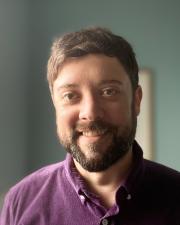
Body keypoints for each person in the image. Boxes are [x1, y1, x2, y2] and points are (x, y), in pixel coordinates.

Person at [0, 27, 180, 225]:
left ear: (136, 100)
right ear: (55, 104)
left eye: (108, 92)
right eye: (70, 95)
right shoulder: (20, 202)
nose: (90, 113)